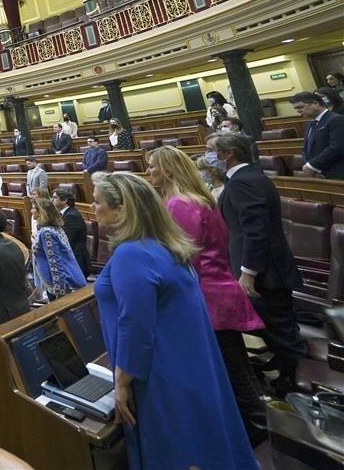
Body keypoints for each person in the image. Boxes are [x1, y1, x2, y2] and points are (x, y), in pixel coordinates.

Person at [90, 172, 257, 470]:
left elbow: (135, 324)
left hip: (160, 375)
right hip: (186, 366)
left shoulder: (132, 253)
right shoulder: (162, 244)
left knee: (177, 453)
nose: (93, 208)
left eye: (98, 202)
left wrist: (122, 381)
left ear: (122, 209)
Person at [148, 145, 268, 441]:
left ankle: (259, 434)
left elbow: (181, 255)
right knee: (237, 367)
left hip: (208, 297)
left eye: (153, 167)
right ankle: (261, 427)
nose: (149, 172)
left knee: (232, 372)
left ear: (169, 170)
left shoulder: (179, 205)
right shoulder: (200, 199)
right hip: (220, 291)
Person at [208, 131, 306, 394]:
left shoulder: (243, 182)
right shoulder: (248, 177)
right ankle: (287, 374)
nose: (209, 157)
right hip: (267, 272)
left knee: (282, 333)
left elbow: (256, 230)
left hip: (265, 275)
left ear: (227, 154)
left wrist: (248, 272)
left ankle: (302, 389)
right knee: (278, 330)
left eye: (211, 150)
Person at [30, 198, 87, 298]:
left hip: (63, 285)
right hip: (61, 282)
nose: (31, 211)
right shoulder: (54, 228)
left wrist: (59, 292)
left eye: (33, 208)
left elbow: (55, 262)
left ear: (41, 212)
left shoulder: (47, 233)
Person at [291, 90, 344, 179]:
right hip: (318, 173)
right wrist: (308, 165)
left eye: (300, 107)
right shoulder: (310, 124)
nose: (298, 111)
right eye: (296, 109)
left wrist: (312, 165)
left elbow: (337, 148)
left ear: (316, 103)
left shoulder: (336, 119)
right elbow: (306, 149)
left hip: (336, 173)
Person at [51, 188, 91, 278]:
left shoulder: (71, 216)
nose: (52, 200)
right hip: (71, 260)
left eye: (54, 197)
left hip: (76, 261)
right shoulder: (66, 214)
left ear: (64, 200)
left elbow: (66, 241)